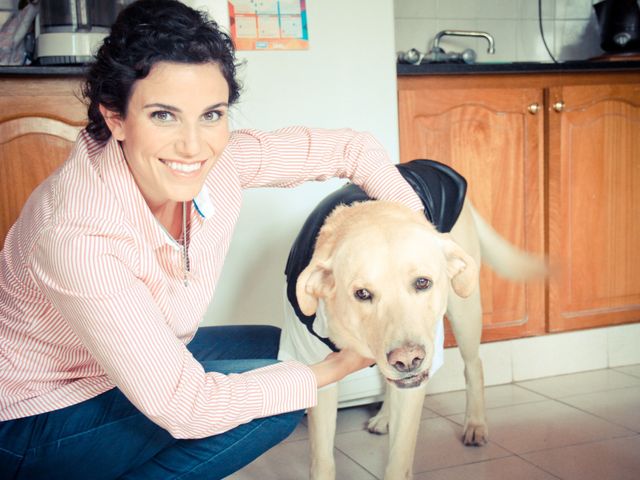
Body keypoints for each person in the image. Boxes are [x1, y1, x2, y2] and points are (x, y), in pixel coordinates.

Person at [0, 1, 424, 478]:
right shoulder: (78, 235)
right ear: (115, 117)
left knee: (276, 349)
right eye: (163, 115)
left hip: (107, 370)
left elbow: (356, 148)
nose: (193, 145)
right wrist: (331, 371)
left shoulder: (221, 161)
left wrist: (419, 238)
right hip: (32, 417)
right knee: (282, 395)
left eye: (211, 115)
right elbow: (186, 407)